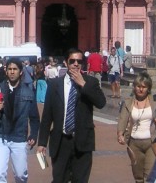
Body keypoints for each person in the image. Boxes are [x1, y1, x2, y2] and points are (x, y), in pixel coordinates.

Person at [37, 48, 107, 183]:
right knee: (59, 179)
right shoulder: (54, 84)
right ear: (66, 63)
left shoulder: (91, 82)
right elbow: (47, 116)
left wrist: (83, 85)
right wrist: (42, 143)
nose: (76, 64)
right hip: (61, 141)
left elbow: (101, 103)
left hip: (82, 141)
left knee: (80, 180)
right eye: (72, 61)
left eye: (79, 61)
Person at [0, 58, 40, 183]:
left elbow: (34, 118)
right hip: (1, 137)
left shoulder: (28, 92)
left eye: (15, 69)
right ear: (6, 71)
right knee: (0, 174)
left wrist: (33, 134)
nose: (12, 72)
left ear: (21, 72)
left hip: (19, 138)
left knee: (20, 175)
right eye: (9, 69)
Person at [116, 72, 156, 183]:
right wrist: (120, 133)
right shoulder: (128, 102)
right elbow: (123, 119)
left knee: (149, 176)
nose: (141, 89)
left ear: (148, 88)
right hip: (134, 143)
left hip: (152, 142)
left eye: (144, 87)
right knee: (138, 177)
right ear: (134, 87)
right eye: (138, 86)